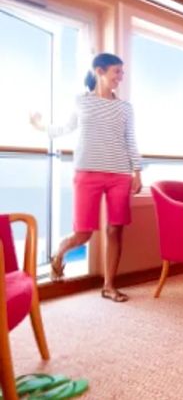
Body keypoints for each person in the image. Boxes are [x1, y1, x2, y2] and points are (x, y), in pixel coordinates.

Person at [30, 53, 141, 303]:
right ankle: (59, 253)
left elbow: (130, 140)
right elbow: (64, 128)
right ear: (99, 71)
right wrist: (40, 127)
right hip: (87, 173)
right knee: (83, 234)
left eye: (122, 73)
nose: (120, 78)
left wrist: (137, 172)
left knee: (115, 230)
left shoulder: (125, 108)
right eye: (116, 72)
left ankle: (109, 286)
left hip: (119, 175)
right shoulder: (81, 101)